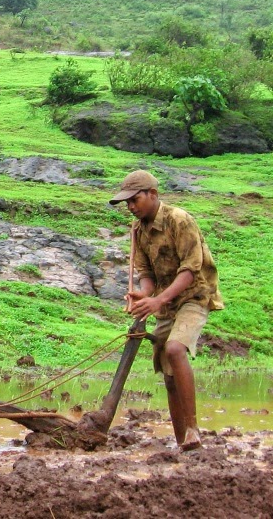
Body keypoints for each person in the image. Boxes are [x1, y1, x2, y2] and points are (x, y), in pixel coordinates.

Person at [110, 170, 223, 451]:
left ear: (153, 195)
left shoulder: (179, 220)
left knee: (175, 350)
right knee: (168, 371)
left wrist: (157, 301)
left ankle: (193, 428)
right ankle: (181, 441)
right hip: (166, 302)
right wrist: (145, 294)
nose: (131, 207)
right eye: (128, 203)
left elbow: (190, 269)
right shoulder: (138, 230)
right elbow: (146, 272)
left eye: (135, 200)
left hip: (193, 295)